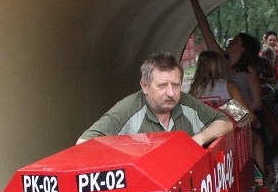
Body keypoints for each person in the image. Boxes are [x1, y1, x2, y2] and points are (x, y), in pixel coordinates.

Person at [184, 0, 275, 183]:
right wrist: (194, 2)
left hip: (243, 111)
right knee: (251, 127)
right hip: (230, 114)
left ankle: (266, 169)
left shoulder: (248, 70)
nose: (230, 42)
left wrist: (238, 113)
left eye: (235, 41)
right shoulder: (222, 62)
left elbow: (256, 103)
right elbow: (206, 31)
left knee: (258, 126)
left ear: (243, 49)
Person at [77, 52, 233, 146]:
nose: (171, 93)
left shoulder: (186, 101)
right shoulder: (128, 108)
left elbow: (225, 122)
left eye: (176, 85)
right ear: (145, 86)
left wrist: (199, 138)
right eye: (162, 86)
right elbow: (84, 142)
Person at [188, 50, 266, 179]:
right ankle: (260, 181)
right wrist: (256, 122)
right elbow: (248, 116)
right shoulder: (228, 87)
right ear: (220, 66)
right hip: (229, 139)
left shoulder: (193, 91)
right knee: (257, 140)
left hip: (206, 141)